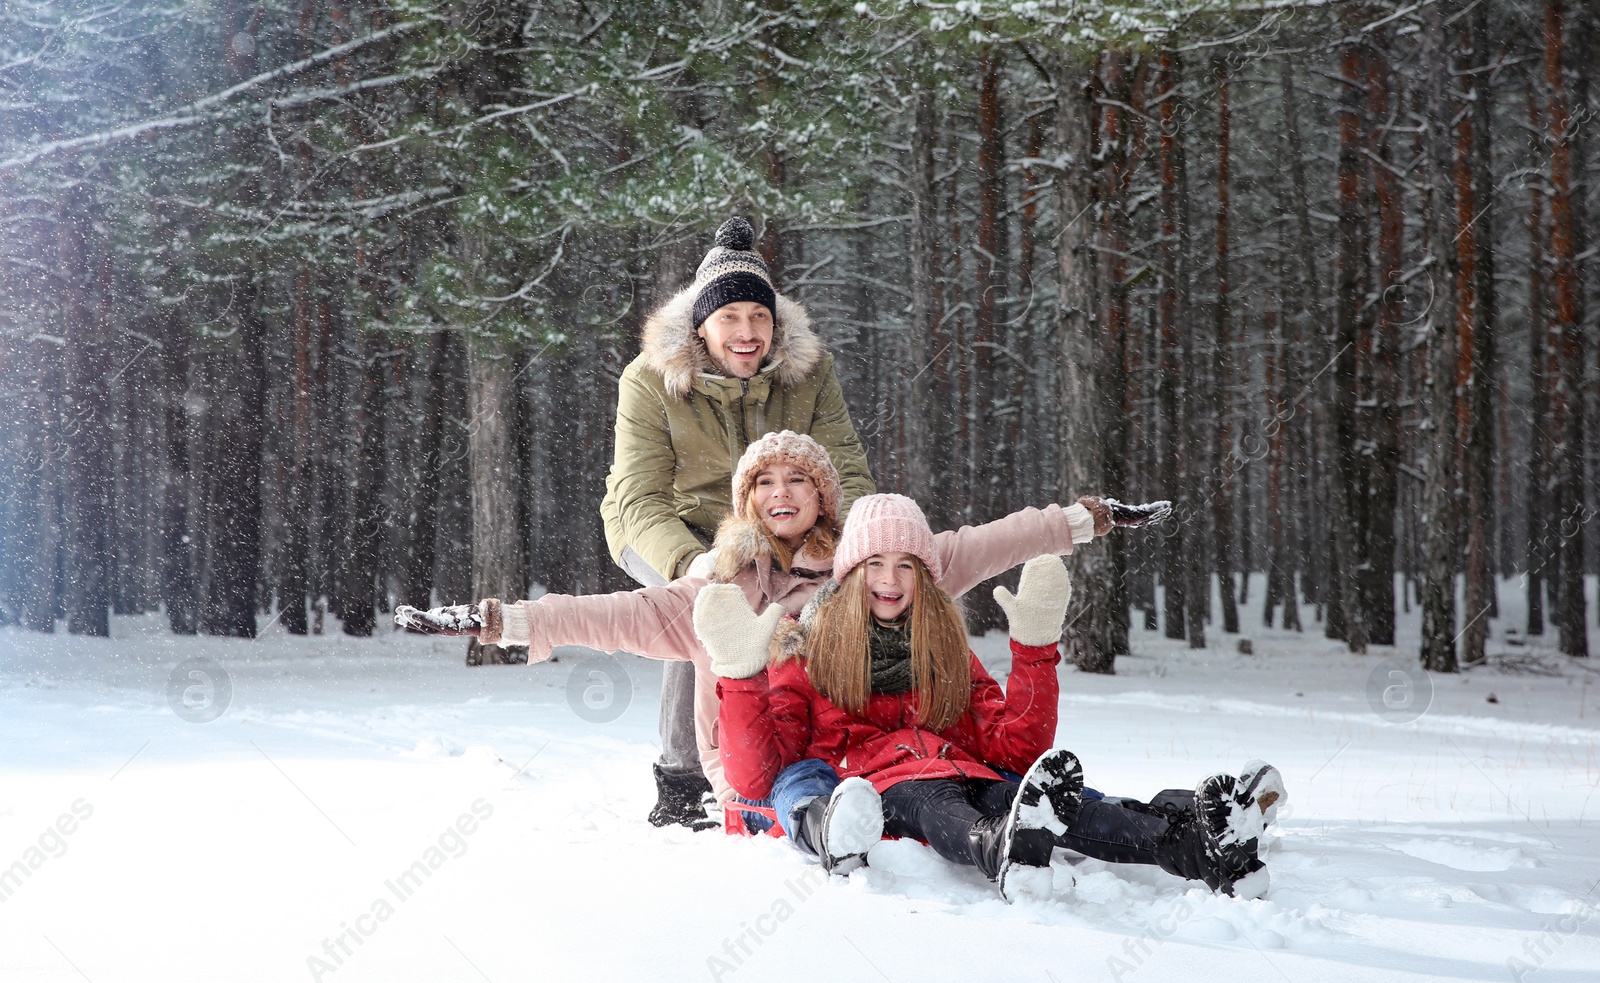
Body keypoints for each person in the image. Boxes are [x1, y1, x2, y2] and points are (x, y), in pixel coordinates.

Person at [394, 431, 1175, 822]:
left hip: (855, 745)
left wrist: (1086, 518)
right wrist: (498, 619)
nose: (780, 492)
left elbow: (996, 539)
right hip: (761, 763)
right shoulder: (716, 589)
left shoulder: (875, 563)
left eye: (798, 478)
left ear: (823, 497)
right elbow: (609, 616)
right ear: (745, 501)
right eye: (762, 481)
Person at [696, 494, 1284, 901]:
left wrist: (1033, 650)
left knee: (1059, 805)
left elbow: (1017, 745)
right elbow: (762, 775)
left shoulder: (945, 651)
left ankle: (1196, 847)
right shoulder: (807, 652)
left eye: (906, 565)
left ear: (925, 576)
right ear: (850, 574)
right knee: (938, 807)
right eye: (874, 563)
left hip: (965, 769)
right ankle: (994, 847)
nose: (890, 579)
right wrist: (742, 677)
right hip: (883, 784)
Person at [600, 217, 874, 829]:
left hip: (778, 526)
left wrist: (851, 545)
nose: (746, 332)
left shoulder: (809, 373)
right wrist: (689, 563)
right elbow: (639, 495)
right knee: (706, 606)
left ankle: (814, 749)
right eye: (729, 318)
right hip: (669, 524)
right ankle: (683, 779)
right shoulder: (649, 380)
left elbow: (848, 470)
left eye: (759, 316)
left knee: (817, 605)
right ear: (701, 324)